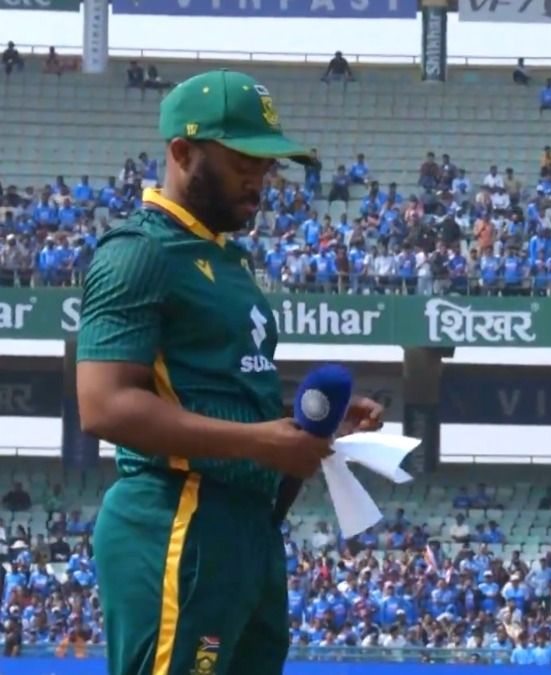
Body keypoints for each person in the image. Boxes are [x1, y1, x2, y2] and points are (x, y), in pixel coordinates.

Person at [76, 69, 384, 675]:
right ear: (182, 152)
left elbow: (218, 396)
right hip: (178, 517)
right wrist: (261, 443)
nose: (260, 178)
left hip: (244, 530)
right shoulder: (140, 252)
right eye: (244, 159)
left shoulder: (228, 260)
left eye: (269, 165)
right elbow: (104, 405)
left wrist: (302, 426)